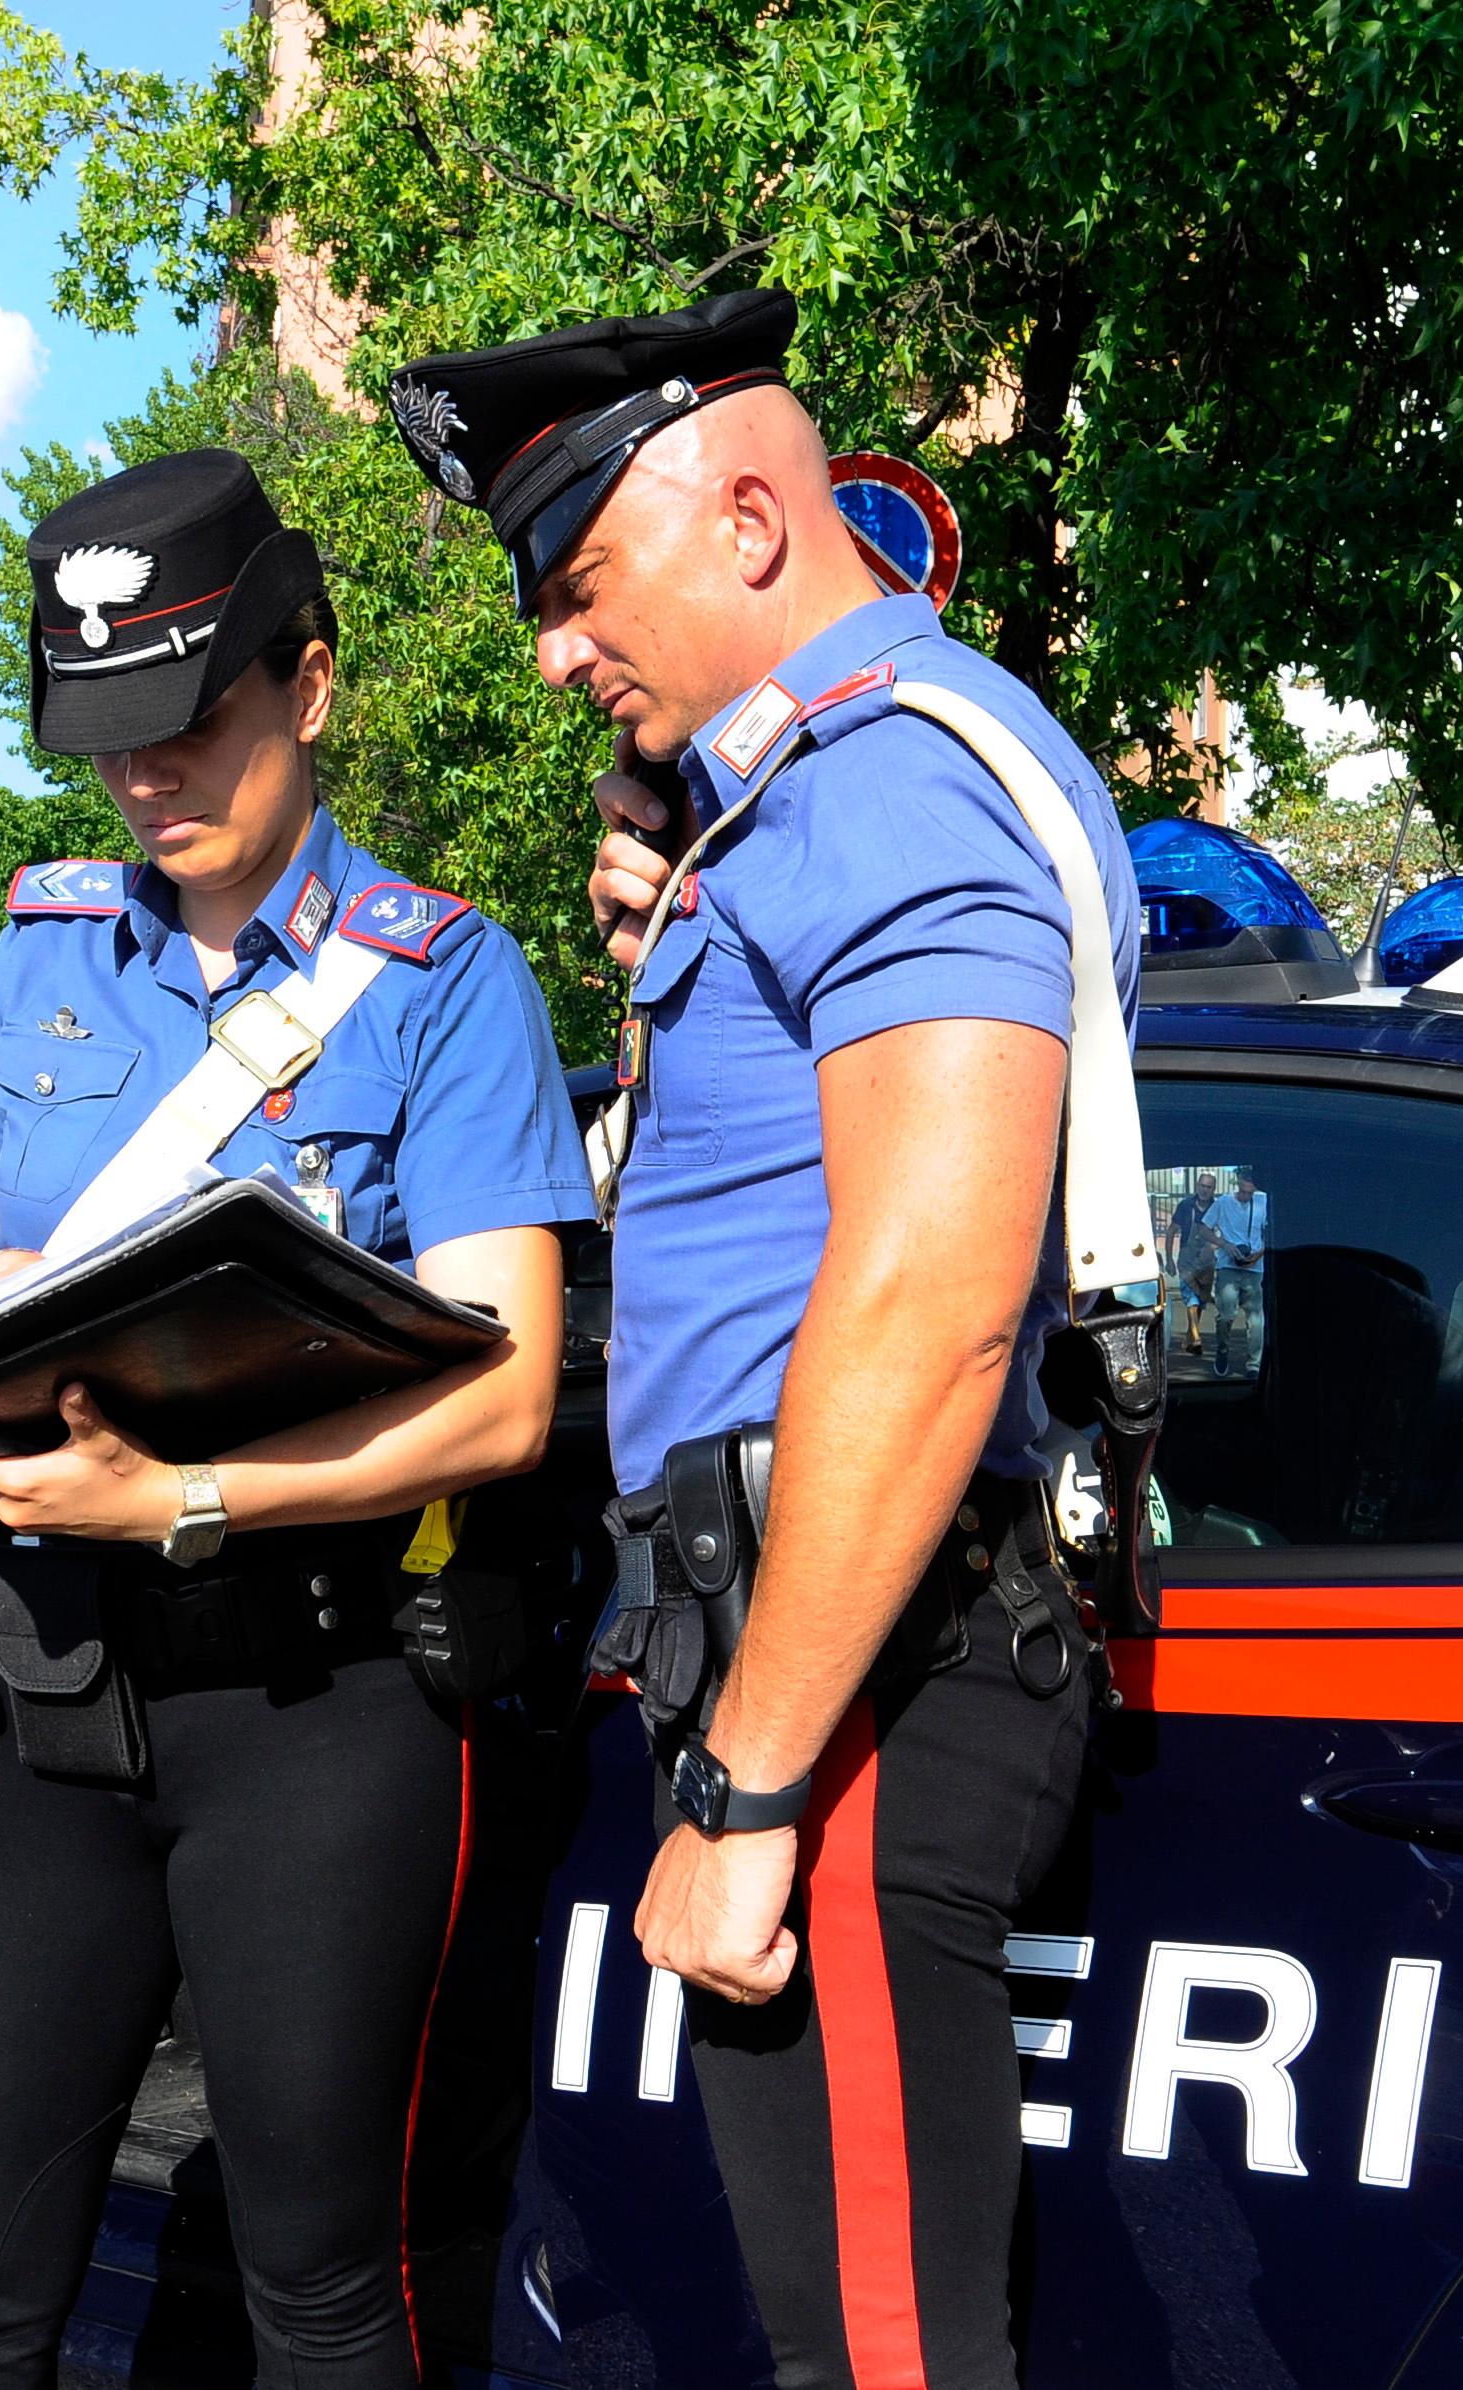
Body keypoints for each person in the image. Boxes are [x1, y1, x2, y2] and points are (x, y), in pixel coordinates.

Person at [386, 290, 1139, 2390]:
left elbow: (923, 1297)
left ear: (740, 517)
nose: (552, 645)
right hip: (806, 1650)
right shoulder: (800, 797)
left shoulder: (889, 782)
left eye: (577, 578)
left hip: (856, 1676)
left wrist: (746, 1788)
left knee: (882, 2360)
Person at [0, 448, 593, 2390]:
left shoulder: (443, 983)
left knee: (324, 2293)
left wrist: (176, 1488)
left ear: (307, 684)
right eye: (107, 744)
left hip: (317, 1713)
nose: (146, 781)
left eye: (189, 725)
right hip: (36, 1695)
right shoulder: (45, 962)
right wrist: (27, 1316)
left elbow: (501, 1390)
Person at [1202, 1162, 1269, 1377]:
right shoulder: (1223, 1203)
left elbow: (1272, 1232)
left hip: (1255, 1267)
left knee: (1256, 1318)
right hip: (1228, 1266)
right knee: (1226, 1315)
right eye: (1243, 1191)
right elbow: (1204, 1229)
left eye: (1250, 1192)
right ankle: (1222, 1351)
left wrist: (1259, 1254)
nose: (1246, 1196)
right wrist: (1225, 1245)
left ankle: (1254, 1364)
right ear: (1237, 1184)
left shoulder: (1264, 1201)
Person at [1168, 1169, 1219, 1359]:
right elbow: (1171, 1230)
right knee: (1191, 1298)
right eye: (1202, 1186)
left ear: (1214, 1189)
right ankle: (1196, 1339)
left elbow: (1222, 1234)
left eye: (1208, 1187)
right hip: (1186, 1258)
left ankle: (1190, 1337)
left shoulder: (1217, 1207)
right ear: (1197, 1186)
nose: (1204, 1190)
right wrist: (1169, 1260)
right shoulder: (1185, 1205)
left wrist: (1215, 1249)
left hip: (1206, 1261)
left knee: (1201, 1300)